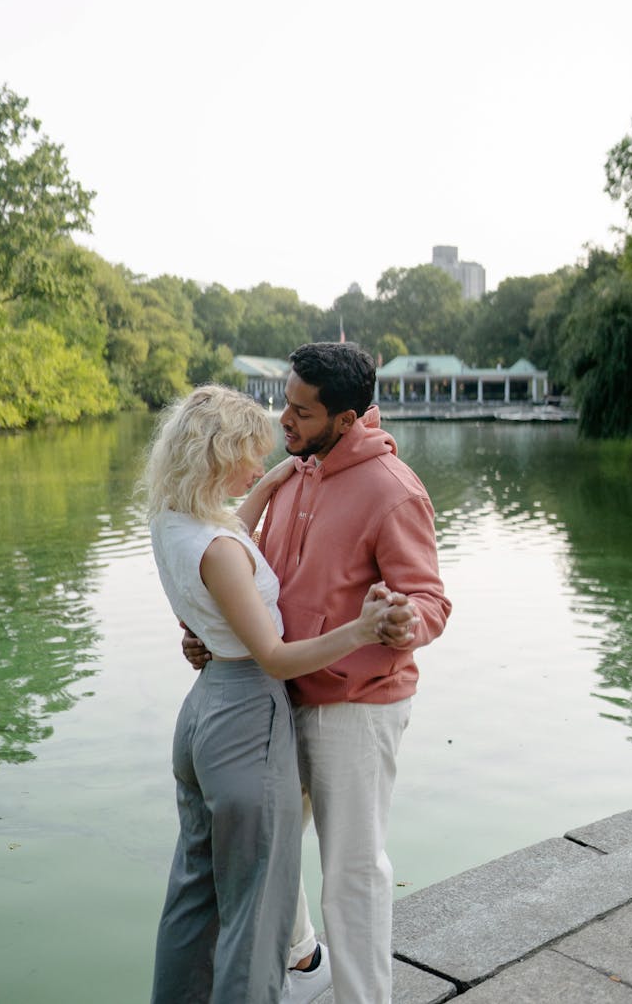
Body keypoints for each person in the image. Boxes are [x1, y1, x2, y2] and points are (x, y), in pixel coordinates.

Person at [184, 344, 452, 1004]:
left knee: (352, 873)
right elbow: (256, 577)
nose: (285, 420)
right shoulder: (296, 475)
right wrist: (213, 633)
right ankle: (305, 956)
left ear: (347, 416)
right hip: (275, 694)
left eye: (302, 411)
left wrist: (400, 621)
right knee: (262, 849)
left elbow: (431, 600)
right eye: (286, 403)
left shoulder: (394, 490)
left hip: (355, 707)